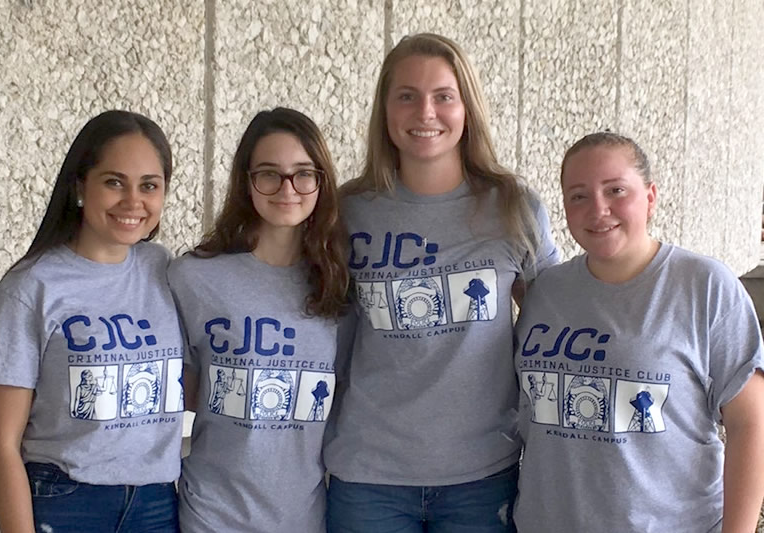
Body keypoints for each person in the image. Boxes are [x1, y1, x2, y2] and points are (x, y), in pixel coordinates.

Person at [323, 33, 558, 532]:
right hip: (369, 476)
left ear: (466, 107)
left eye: (443, 96)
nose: (425, 112)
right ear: (385, 111)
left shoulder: (514, 208)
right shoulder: (347, 212)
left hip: (483, 474)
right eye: (406, 95)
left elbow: (554, 325)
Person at [513, 132, 764, 532]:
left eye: (615, 190)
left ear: (649, 197)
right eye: (579, 195)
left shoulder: (704, 286)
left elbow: (750, 424)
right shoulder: (546, 291)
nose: (599, 209)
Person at [0, 110, 185, 533]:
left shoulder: (166, 270)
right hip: (68, 500)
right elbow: (0, 444)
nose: (133, 201)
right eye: (114, 182)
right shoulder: (32, 287)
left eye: (149, 185)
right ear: (79, 186)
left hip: (157, 502)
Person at [168, 107, 349, 533]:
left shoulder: (340, 286)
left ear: (322, 181)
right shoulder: (194, 277)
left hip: (304, 516)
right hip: (212, 514)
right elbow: (183, 392)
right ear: (246, 182)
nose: (287, 188)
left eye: (304, 173)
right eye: (269, 173)